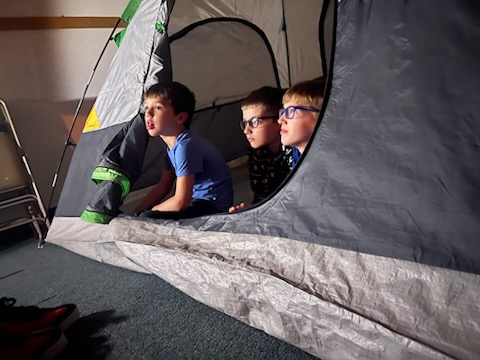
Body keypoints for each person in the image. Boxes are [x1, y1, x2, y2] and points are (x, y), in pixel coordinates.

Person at [135, 82, 233, 220]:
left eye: (157, 107)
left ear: (180, 117)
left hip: (213, 208)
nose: (148, 114)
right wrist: (138, 210)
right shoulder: (172, 148)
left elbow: (180, 202)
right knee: (145, 216)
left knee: (149, 219)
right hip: (198, 202)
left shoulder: (185, 147)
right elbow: (163, 186)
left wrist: (151, 212)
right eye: (146, 107)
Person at [228, 86, 292, 212]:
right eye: (245, 123)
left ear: (278, 119)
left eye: (254, 122)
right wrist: (251, 210)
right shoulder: (258, 153)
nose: (247, 130)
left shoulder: (293, 150)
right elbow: (261, 195)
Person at [278, 79, 324, 168]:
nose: (280, 120)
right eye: (283, 111)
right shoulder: (296, 156)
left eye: (291, 111)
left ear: (321, 118)